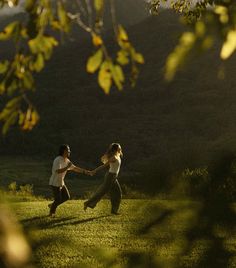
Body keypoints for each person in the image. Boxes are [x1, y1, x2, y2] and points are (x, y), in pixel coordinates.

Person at [48, 144, 90, 217]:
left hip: (61, 182)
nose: (69, 151)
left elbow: (75, 168)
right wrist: (67, 167)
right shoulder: (58, 159)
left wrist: (86, 172)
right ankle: (52, 213)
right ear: (64, 151)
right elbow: (58, 171)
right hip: (54, 182)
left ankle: (52, 205)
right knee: (58, 199)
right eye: (68, 150)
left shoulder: (67, 160)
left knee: (66, 197)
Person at [84, 143, 123, 215]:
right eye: (119, 147)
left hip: (114, 177)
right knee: (102, 192)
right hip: (110, 176)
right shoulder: (113, 157)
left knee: (118, 193)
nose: (120, 148)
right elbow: (104, 166)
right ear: (116, 149)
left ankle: (114, 211)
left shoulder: (118, 156)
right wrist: (94, 171)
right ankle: (87, 203)